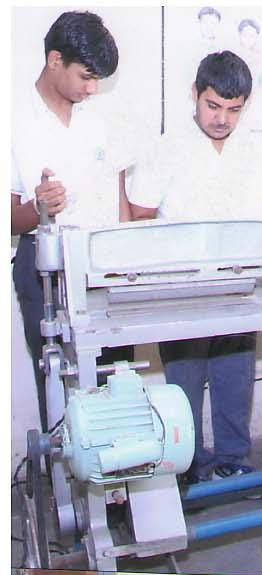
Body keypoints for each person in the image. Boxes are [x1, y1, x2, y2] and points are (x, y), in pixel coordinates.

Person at [128, 50, 262, 482]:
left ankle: (234, 461)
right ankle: (191, 469)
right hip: (182, 290)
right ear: (195, 94)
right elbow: (139, 217)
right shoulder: (166, 148)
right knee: (184, 385)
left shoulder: (253, 150)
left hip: (237, 285)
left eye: (233, 110)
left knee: (235, 380)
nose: (222, 119)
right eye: (213, 106)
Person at [11, 10, 133, 432]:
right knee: (58, 378)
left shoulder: (100, 117)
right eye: (85, 77)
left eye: (97, 79)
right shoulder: (14, 120)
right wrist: (39, 207)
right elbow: (9, 218)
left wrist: (125, 261)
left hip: (104, 261)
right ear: (54, 60)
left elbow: (119, 195)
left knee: (116, 373)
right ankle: (65, 467)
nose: (92, 88)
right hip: (44, 265)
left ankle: (119, 469)